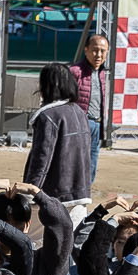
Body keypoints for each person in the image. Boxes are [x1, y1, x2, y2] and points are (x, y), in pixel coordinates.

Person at [20, 62, 94, 205]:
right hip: (81, 194)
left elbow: (42, 159)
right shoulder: (80, 112)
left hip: (52, 199)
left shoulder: (48, 115)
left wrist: (29, 192)